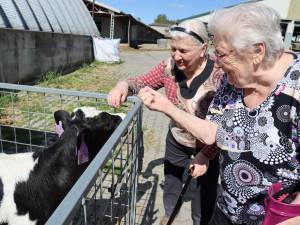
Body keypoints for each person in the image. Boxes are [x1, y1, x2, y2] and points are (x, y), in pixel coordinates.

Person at [138, 2, 300, 225]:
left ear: (256, 51)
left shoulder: (296, 86)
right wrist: (167, 107)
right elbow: (210, 133)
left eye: (221, 55)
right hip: (226, 211)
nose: (218, 64)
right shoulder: (233, 81)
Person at [108, 18, 223, 225]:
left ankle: (201, 220)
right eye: (173, 49)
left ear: (203, 48)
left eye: (184, 51)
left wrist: (206, 155)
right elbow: (142, 81)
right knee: (171, 179)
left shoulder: (220, 75)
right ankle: (171, 211)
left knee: (205, 191)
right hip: (177, 138)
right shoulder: (168, 67)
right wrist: (123, 85)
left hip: (209, 145)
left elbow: (225, 123)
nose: (176, 56)